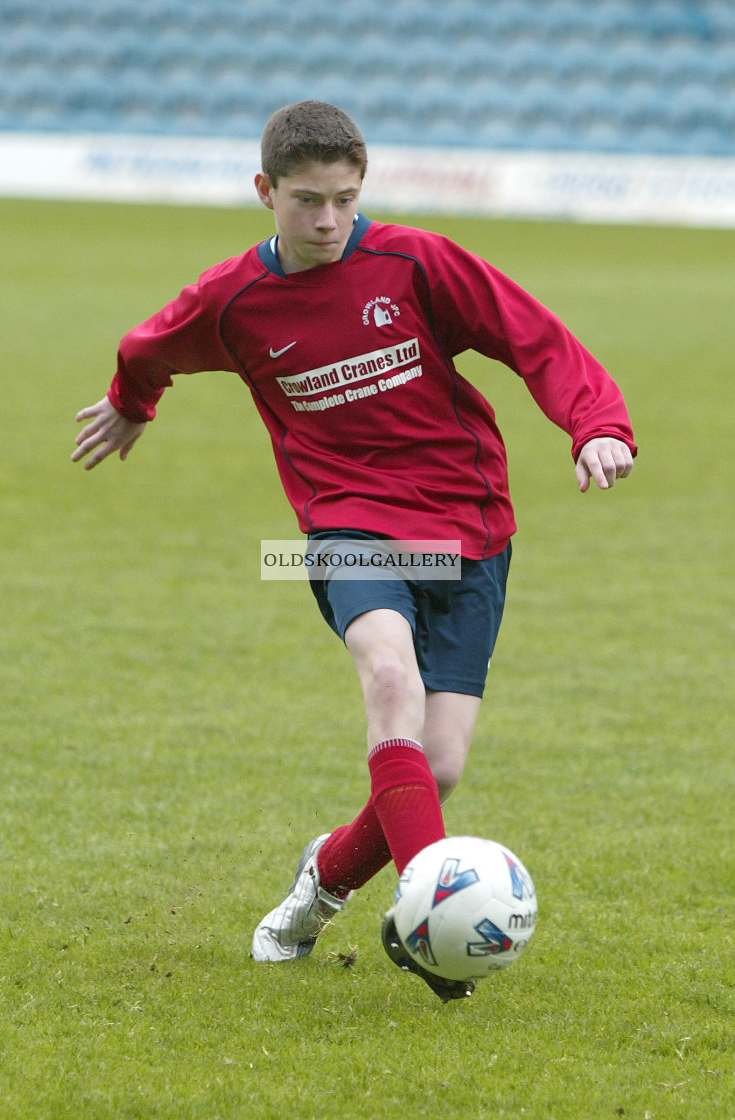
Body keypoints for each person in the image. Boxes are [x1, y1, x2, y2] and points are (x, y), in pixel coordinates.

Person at [72, 100, 636, 1002]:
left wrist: (593, 425)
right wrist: (132, 403)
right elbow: (147, 347)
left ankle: (321, 883)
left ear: (360, 189)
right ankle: (431, 922)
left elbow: (533, 337)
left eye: (342, 199)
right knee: (387, 678)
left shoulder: (414, 261)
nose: (327, 221)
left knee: (438, 763)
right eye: (305, 201)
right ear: (265, 192)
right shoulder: (234, 302)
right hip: (347, 524)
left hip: (468, 526)